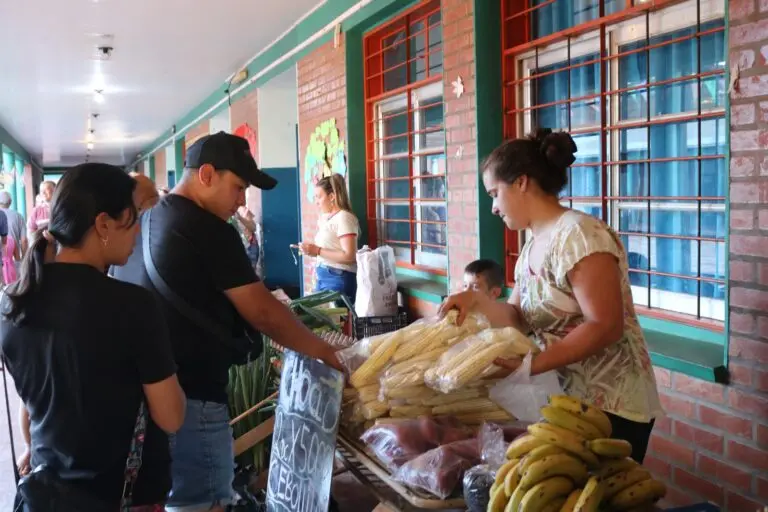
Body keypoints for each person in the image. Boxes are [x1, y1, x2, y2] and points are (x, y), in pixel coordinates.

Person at [112, 132, 343, 512]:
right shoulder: (208, 229)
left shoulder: (149, 220)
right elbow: (263, 313)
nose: (241, 201)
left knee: (177, 501)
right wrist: (323, 351)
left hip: (152, 399)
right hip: (195, 400)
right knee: (203, 504)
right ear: (206, 174)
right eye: (238, 187)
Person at [440, 129, 661, 463]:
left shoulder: (579, 234)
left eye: (495, 194)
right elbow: (517, 317)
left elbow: (605, 325)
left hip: (610, 405)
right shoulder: (531, 247)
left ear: (521, 182)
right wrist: (475, 302)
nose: (494, 208)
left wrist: (530, 365)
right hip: (566, 402)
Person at [0, 163, 186, 509]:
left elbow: (33, 403)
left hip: (48, 494)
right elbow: (171, 416)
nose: (137, 231)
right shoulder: (132, 305)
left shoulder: (12, 304)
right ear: (103, 224)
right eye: (132, 219)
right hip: (122, 496)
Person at [298, 174, 359, 300]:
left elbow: (349, 256)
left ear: (331, 197)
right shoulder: (327, 218)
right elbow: (331, 249)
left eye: (319, 197)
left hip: (337, 278)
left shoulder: (344, 217)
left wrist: (317, 250)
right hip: (324, 276)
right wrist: (312, 251)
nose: (317, 202)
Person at [233, 205, 261, 277]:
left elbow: (253, 227)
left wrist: (240, 218)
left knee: (249, 274)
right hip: (234, 249)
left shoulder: (241, 209)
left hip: (249, 247)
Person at [0, 190, 26, 263]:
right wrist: (24, 259)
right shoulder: (19, 216)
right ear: (10, 202)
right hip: (14, 259)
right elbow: (24, 240)